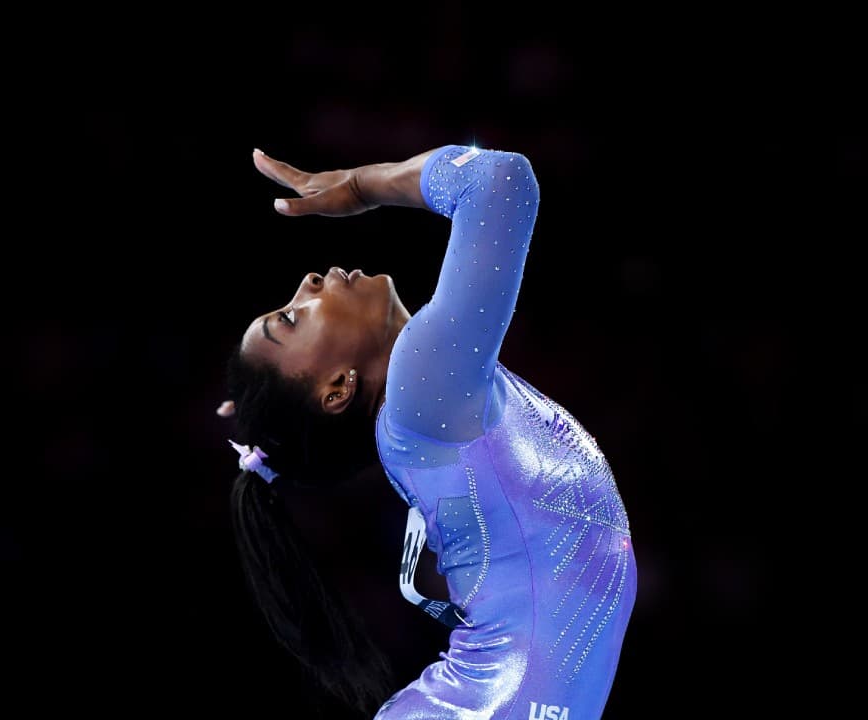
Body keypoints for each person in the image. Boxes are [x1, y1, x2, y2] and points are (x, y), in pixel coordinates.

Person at [220, 142, 636, 719]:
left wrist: (276, 416)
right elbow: (500, 181)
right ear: (337, 389)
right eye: (289, 318)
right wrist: (366, 185)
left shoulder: (429, 409)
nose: (308, 281)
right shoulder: (420, 388)